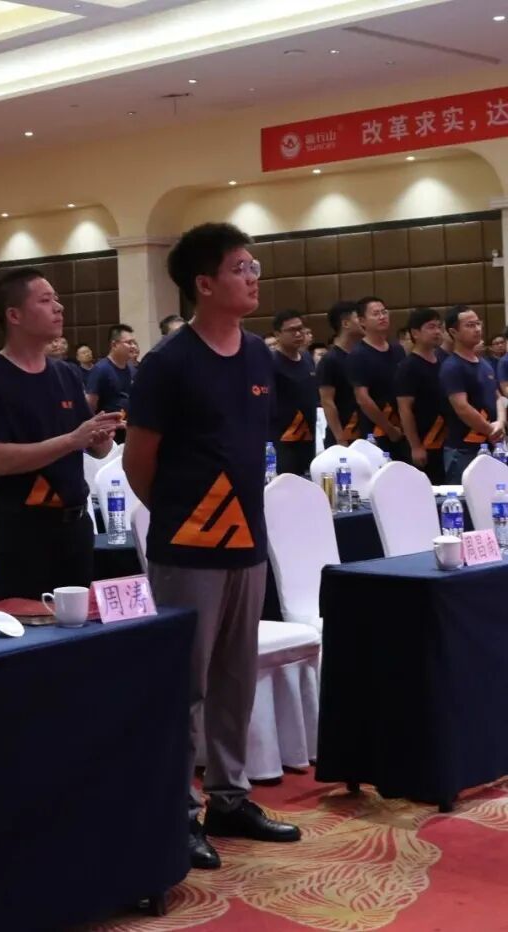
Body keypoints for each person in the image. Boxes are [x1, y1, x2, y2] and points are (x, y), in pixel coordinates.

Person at [124, 222, 301, 873]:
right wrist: (182, 520)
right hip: (189, 549)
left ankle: (229, 797)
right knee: (187, 683)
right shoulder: (168, 363)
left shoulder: (257, 355)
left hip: (247, 544)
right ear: (204, 283)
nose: (253, 277)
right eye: (239, 268)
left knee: (234, 678)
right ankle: (178, 811)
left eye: (254, 266)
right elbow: (139, 463)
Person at [0, 269, 120, 599]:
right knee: (28, 625)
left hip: (75, 526)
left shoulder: (65, 373)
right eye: (46, 300)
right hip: (23, 531)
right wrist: (72, 440)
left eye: (57, 299)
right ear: (14, 315)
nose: (58, 308)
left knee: (79, 626)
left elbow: (96, 449)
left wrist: (100, 436)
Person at [440, 305, 504, 484]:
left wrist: (500, 422)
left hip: (491, 446)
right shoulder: (452, 367)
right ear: (453, 332)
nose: (477, 329)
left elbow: (498, 397)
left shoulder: (484, 364)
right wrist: (490, 430)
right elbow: (462, 407)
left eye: (478, 323)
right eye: (469, 325)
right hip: (463, 450)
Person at [347, 296, 407, 460]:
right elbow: (363, 399)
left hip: (402, 428)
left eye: (384, 312)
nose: (382, 317)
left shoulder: (398, 350)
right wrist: (389, 428)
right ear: (362, 321)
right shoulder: (358, 355)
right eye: (376, 314)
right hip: (376, 432)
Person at [395, 307, 447, 485]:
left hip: (445, 441)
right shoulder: (408, 367)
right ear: (415, 333)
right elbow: (404, 409)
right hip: (425, 441)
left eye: (439, 327)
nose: (437, 331)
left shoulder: (443, 362)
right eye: (431, 327)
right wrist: (415, 446)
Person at [270, 310, 317, 477]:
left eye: (300, 328)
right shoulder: (271, 362)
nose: (298, 334)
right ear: (277, 334)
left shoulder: (307, 358)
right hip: (282, 439)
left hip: (308, 437)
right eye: (291, 330)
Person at [317, 300, 363, 449]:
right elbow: (327, 401)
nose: (363, 322)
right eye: (359, 318)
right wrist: (340, 438)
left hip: (364, 434)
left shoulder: (362, 355)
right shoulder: (330, 360)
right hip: (342, 437)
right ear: (346, 323)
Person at [86, 323, 136, 422]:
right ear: (114, 345)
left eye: (134, 343)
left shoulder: (132, 369)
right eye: (129, 343)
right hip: (108, 428)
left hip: (128, 425)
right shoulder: (101, 369)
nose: (134, 346)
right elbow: (90, 405)